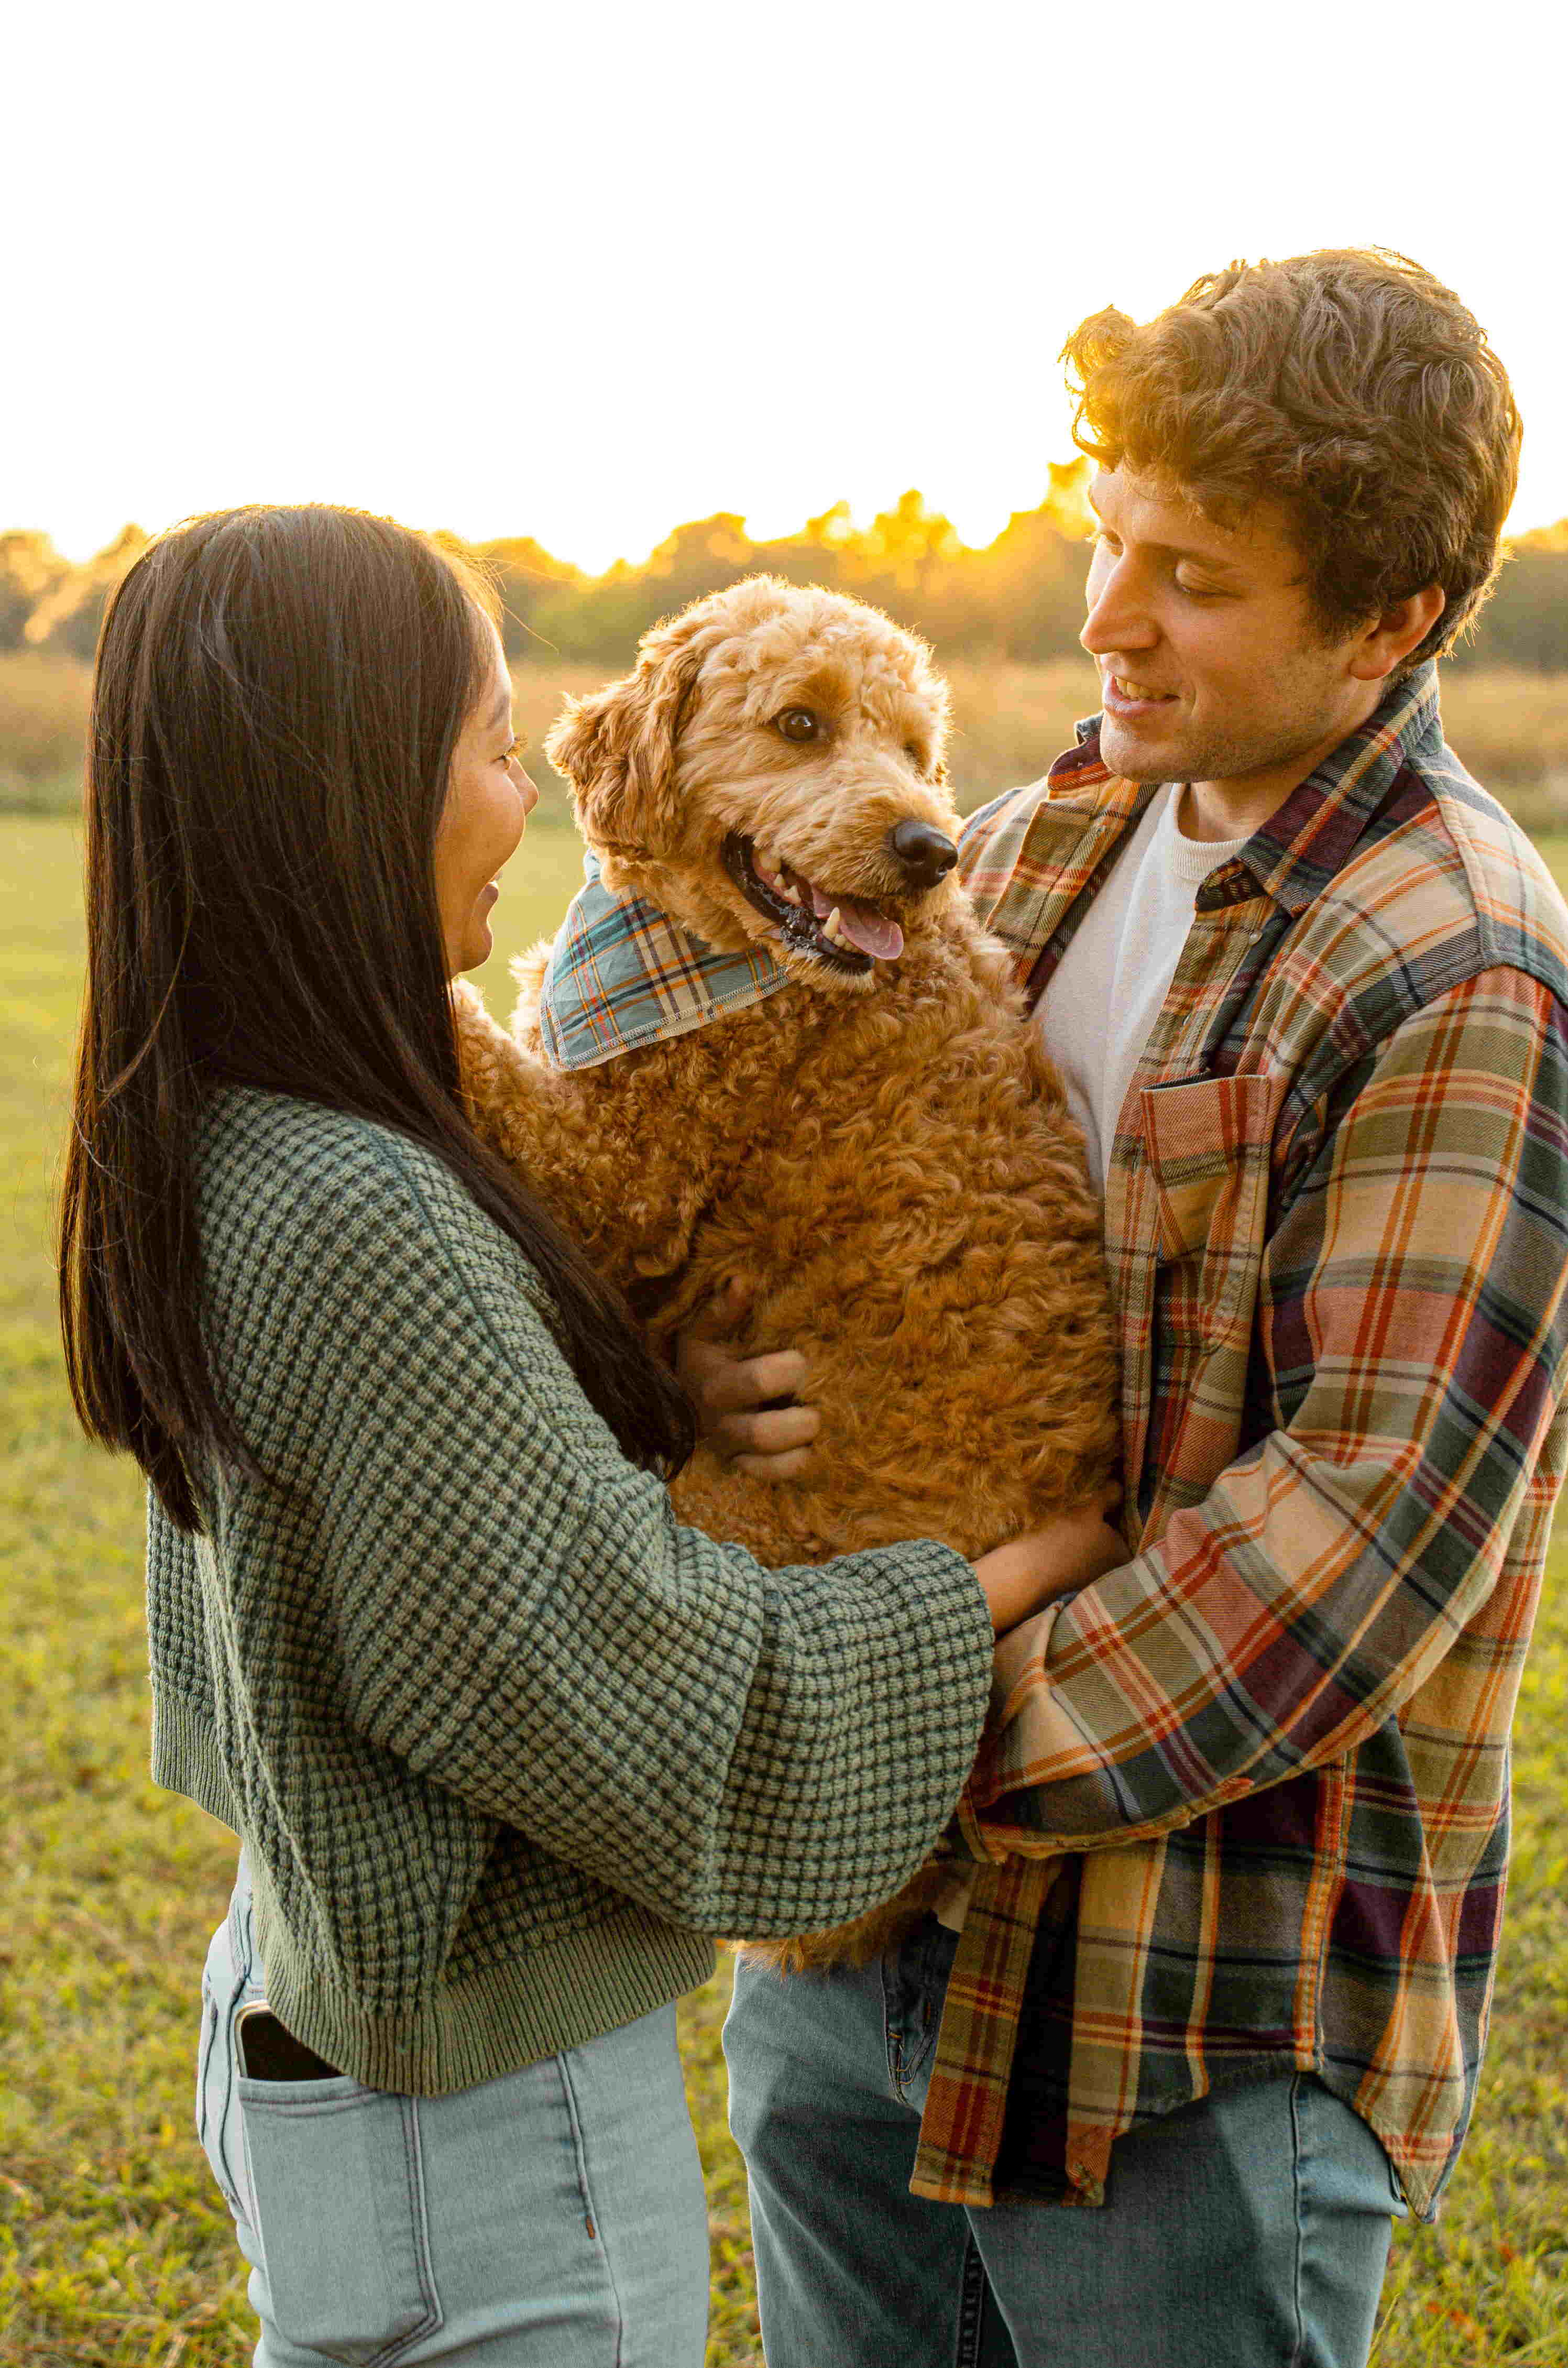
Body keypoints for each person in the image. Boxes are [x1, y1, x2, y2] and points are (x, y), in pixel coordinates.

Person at [57, 503, 1123, 2367]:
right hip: (475, 2111)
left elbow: (441, 1519)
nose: (529, 789)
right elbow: (657, 1713)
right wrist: (1025, 1571)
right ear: (343, 781)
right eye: (487, 743)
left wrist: (657, 1388)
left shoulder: (230, 1116)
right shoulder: (360, 1197)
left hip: (327, 2005)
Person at [709, 249, 1568, 2366]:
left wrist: (881, 1724)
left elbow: (1351, 1534)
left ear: (1389, 617)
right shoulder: (1037, 833)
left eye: (1194, 575)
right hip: (855, 1951)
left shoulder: (1461, 973)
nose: (1111, 613)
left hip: (1183, 2007)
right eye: (1107, 538)